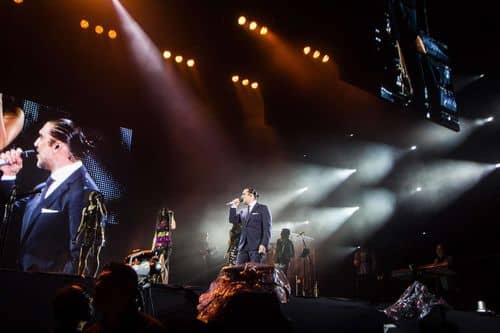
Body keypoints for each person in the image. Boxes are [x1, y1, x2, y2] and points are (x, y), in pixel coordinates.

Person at [0, 118, 98, 274]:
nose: (35, 143)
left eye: (41, 137)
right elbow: (8, 218)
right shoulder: (41, 189)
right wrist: (8, 175)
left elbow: (82, 260)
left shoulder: (85, 192)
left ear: (57, 146)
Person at [85, 262, 167, 333]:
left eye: (104, 289)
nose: (95, 295)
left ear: (125, 293)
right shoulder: (94, 330)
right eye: (97, 289)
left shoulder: (151, 330)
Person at [228, 187, 271, 264]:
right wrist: (234, 206)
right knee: (238, 271)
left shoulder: (263, 208)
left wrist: (264, 244)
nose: (242, 196)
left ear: (251, 195)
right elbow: (232, 220)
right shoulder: (243, 211)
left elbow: (267, 228)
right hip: (243, 248)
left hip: (256, 247)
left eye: (244, 194)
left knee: (254, 273)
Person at [74, 191, 107, 278]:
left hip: (98, 233)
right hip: (88, 233)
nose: (92, 195)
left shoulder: (99, 207)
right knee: (83, 255)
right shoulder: (86, 209)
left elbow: (104, 214)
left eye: (95, 194)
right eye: (92, 194)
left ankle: (93, 276)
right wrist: (76, 236)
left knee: (95, 255)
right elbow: (82, 224)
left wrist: (100, 203)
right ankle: (80, 275)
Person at [151, 207, 176, 284]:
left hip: (166, 246)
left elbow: (173, 226)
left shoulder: (169, 223)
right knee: (156, 264)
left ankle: (165, 283)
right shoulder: (159, 224)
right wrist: (152, 248)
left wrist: (172, 216)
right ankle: (157, 281)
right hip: (157, 245)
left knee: (163, 263)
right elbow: (155, 236)